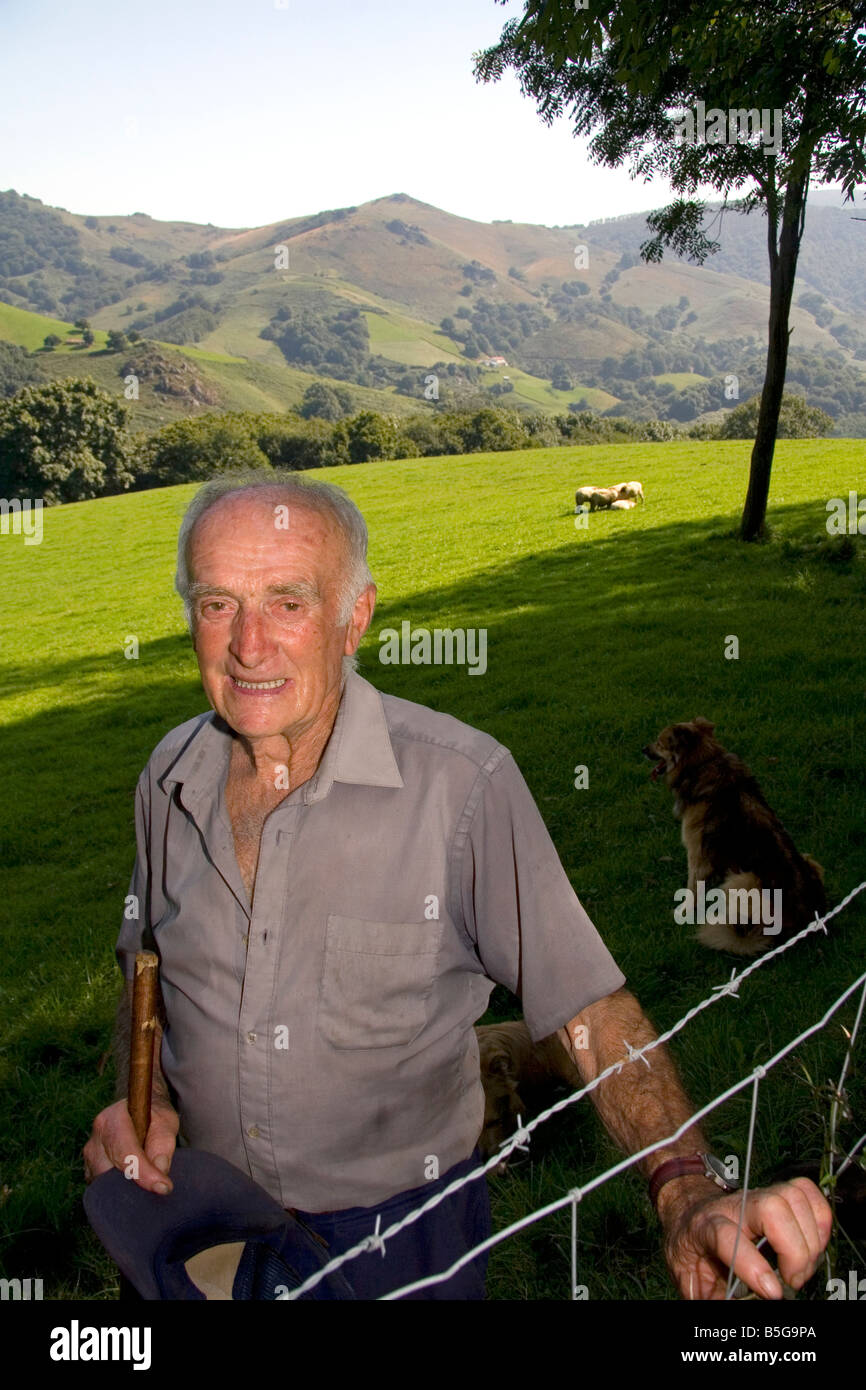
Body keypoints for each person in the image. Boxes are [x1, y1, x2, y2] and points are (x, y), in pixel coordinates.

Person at [83, 470, 831, 1301]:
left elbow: (589, 1010)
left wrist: (687, 1188)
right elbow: (144, 971)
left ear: (353, 617)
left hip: (397, 1246)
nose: (248, 645)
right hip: (203, 1231)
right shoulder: (167, 779)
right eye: (218, 603)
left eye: (288, 602)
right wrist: (136, 1099)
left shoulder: (461, 787)